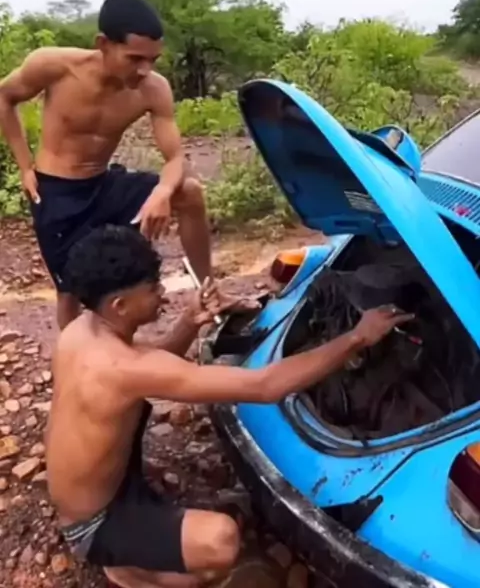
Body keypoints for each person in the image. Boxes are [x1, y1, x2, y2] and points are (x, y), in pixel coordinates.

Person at [46, 224, 414, 588]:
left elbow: (151, 363)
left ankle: (134, 537)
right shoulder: (123, 369)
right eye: (153, 288)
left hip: (100, 488)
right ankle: (129, 571)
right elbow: (265, 386)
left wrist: (189, 323)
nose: (163, 294)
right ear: (120, 305)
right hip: (94, 522)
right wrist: (357, 338)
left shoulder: (82, 330)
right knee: (220, 542)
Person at [0, 0, 212, 331]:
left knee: (189, 191)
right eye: (134, 58)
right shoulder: (55, 66)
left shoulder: (153, 89)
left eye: (153, 60)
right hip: (57, 192)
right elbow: (5, 96)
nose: (144, 70)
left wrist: (162, 192)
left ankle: (210, 292)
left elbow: (175, 157)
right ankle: (73, 358)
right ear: (103, 44)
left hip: (102, 184)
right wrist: (25, 166)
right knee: (70, 293)